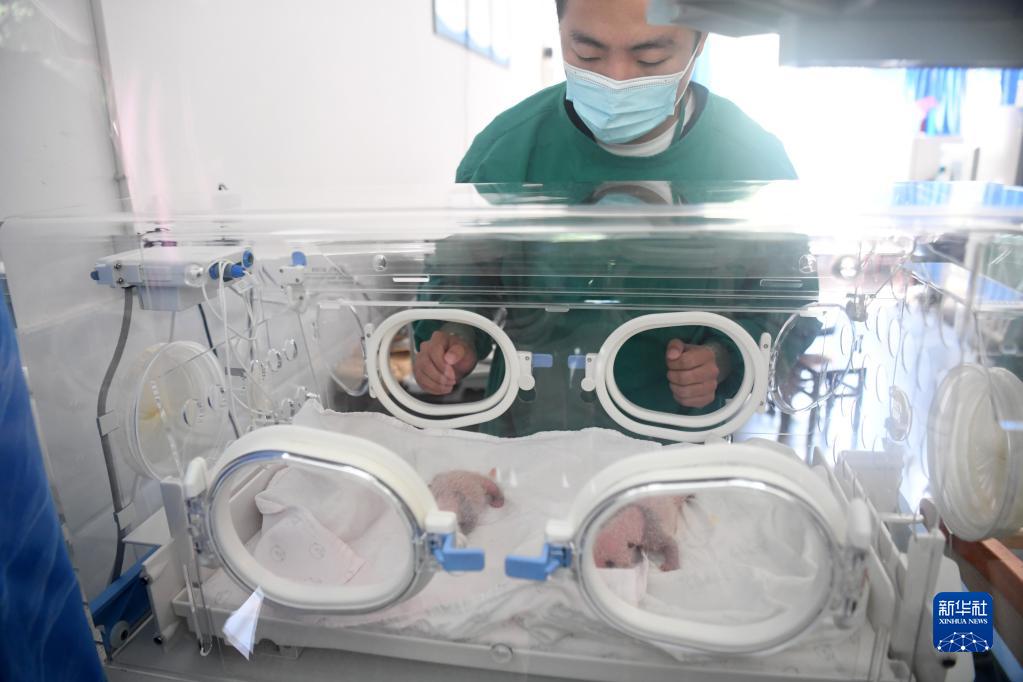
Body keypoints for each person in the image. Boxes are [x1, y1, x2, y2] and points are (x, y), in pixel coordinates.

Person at [413, 0, 814, 528]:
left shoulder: (751, 165)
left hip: (671, 462)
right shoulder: (508, 152)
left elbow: (787, 310)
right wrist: (452, 340)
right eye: (588, 52)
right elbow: (463, 284)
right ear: (560, 29)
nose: (617, 79)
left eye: (649, 58)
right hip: (523, 456)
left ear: (699, 42)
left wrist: (725, 360)